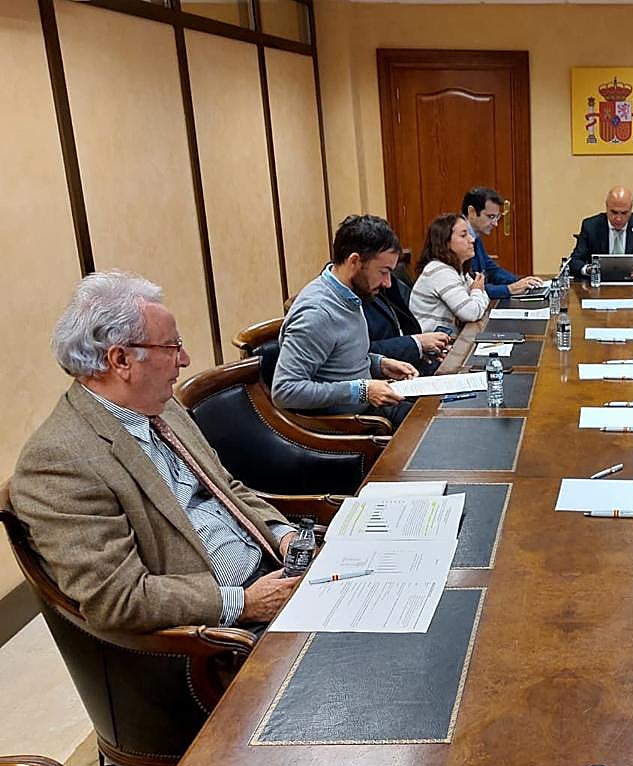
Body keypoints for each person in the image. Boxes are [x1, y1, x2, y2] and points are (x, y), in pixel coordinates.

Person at [10, 272, 300, 633]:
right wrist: (244, 604)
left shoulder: (162, 406)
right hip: (221, 629)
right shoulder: (58, 462)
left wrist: (284, 536)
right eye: (172, 347)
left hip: (272, 569)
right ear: (121, 360)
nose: (185, 359)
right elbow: (117, 598)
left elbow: (225, 487)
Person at [273, 215, 420, 426]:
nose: (388, 283)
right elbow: (285, 390)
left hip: (370, 409)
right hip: (348, 426)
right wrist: (362, 390)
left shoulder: (351, 295)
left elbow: (338, 359)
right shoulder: (317, 313)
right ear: (354, 262)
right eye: (383, 272)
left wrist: (379, 364)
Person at [410, 213, 491, 333]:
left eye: (469, 234)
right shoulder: (440, 272)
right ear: (445, 242)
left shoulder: (457, 269)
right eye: (463, 235)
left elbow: (485, 299)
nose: (472, 240)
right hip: (431, 341)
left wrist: (477, 292)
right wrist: (477, 290)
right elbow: (471, 312)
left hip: (447, 337)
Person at [364, 264, 450, 377]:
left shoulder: (385, 286)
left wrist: (419, 352)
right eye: (383, 272)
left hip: (405, 368)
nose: (388, 283)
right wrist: (417, 344)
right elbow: (359, 354)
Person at [461, 186, 543, 299]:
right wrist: (510, 289)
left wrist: (520, 281)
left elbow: (491, 270)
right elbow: (470, 288)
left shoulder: (475, 235)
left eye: (497, 217)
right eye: (490, 217)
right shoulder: (456, 240)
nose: (495, 224)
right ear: (472, 212)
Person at [568, 185, 633, 279]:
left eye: (624, 213)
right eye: (614, 212)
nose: (618, 218)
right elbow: (574, 261)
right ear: (607, 207)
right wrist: (588, 269)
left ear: (631, 209)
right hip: (598, 284)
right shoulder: (591, 226)